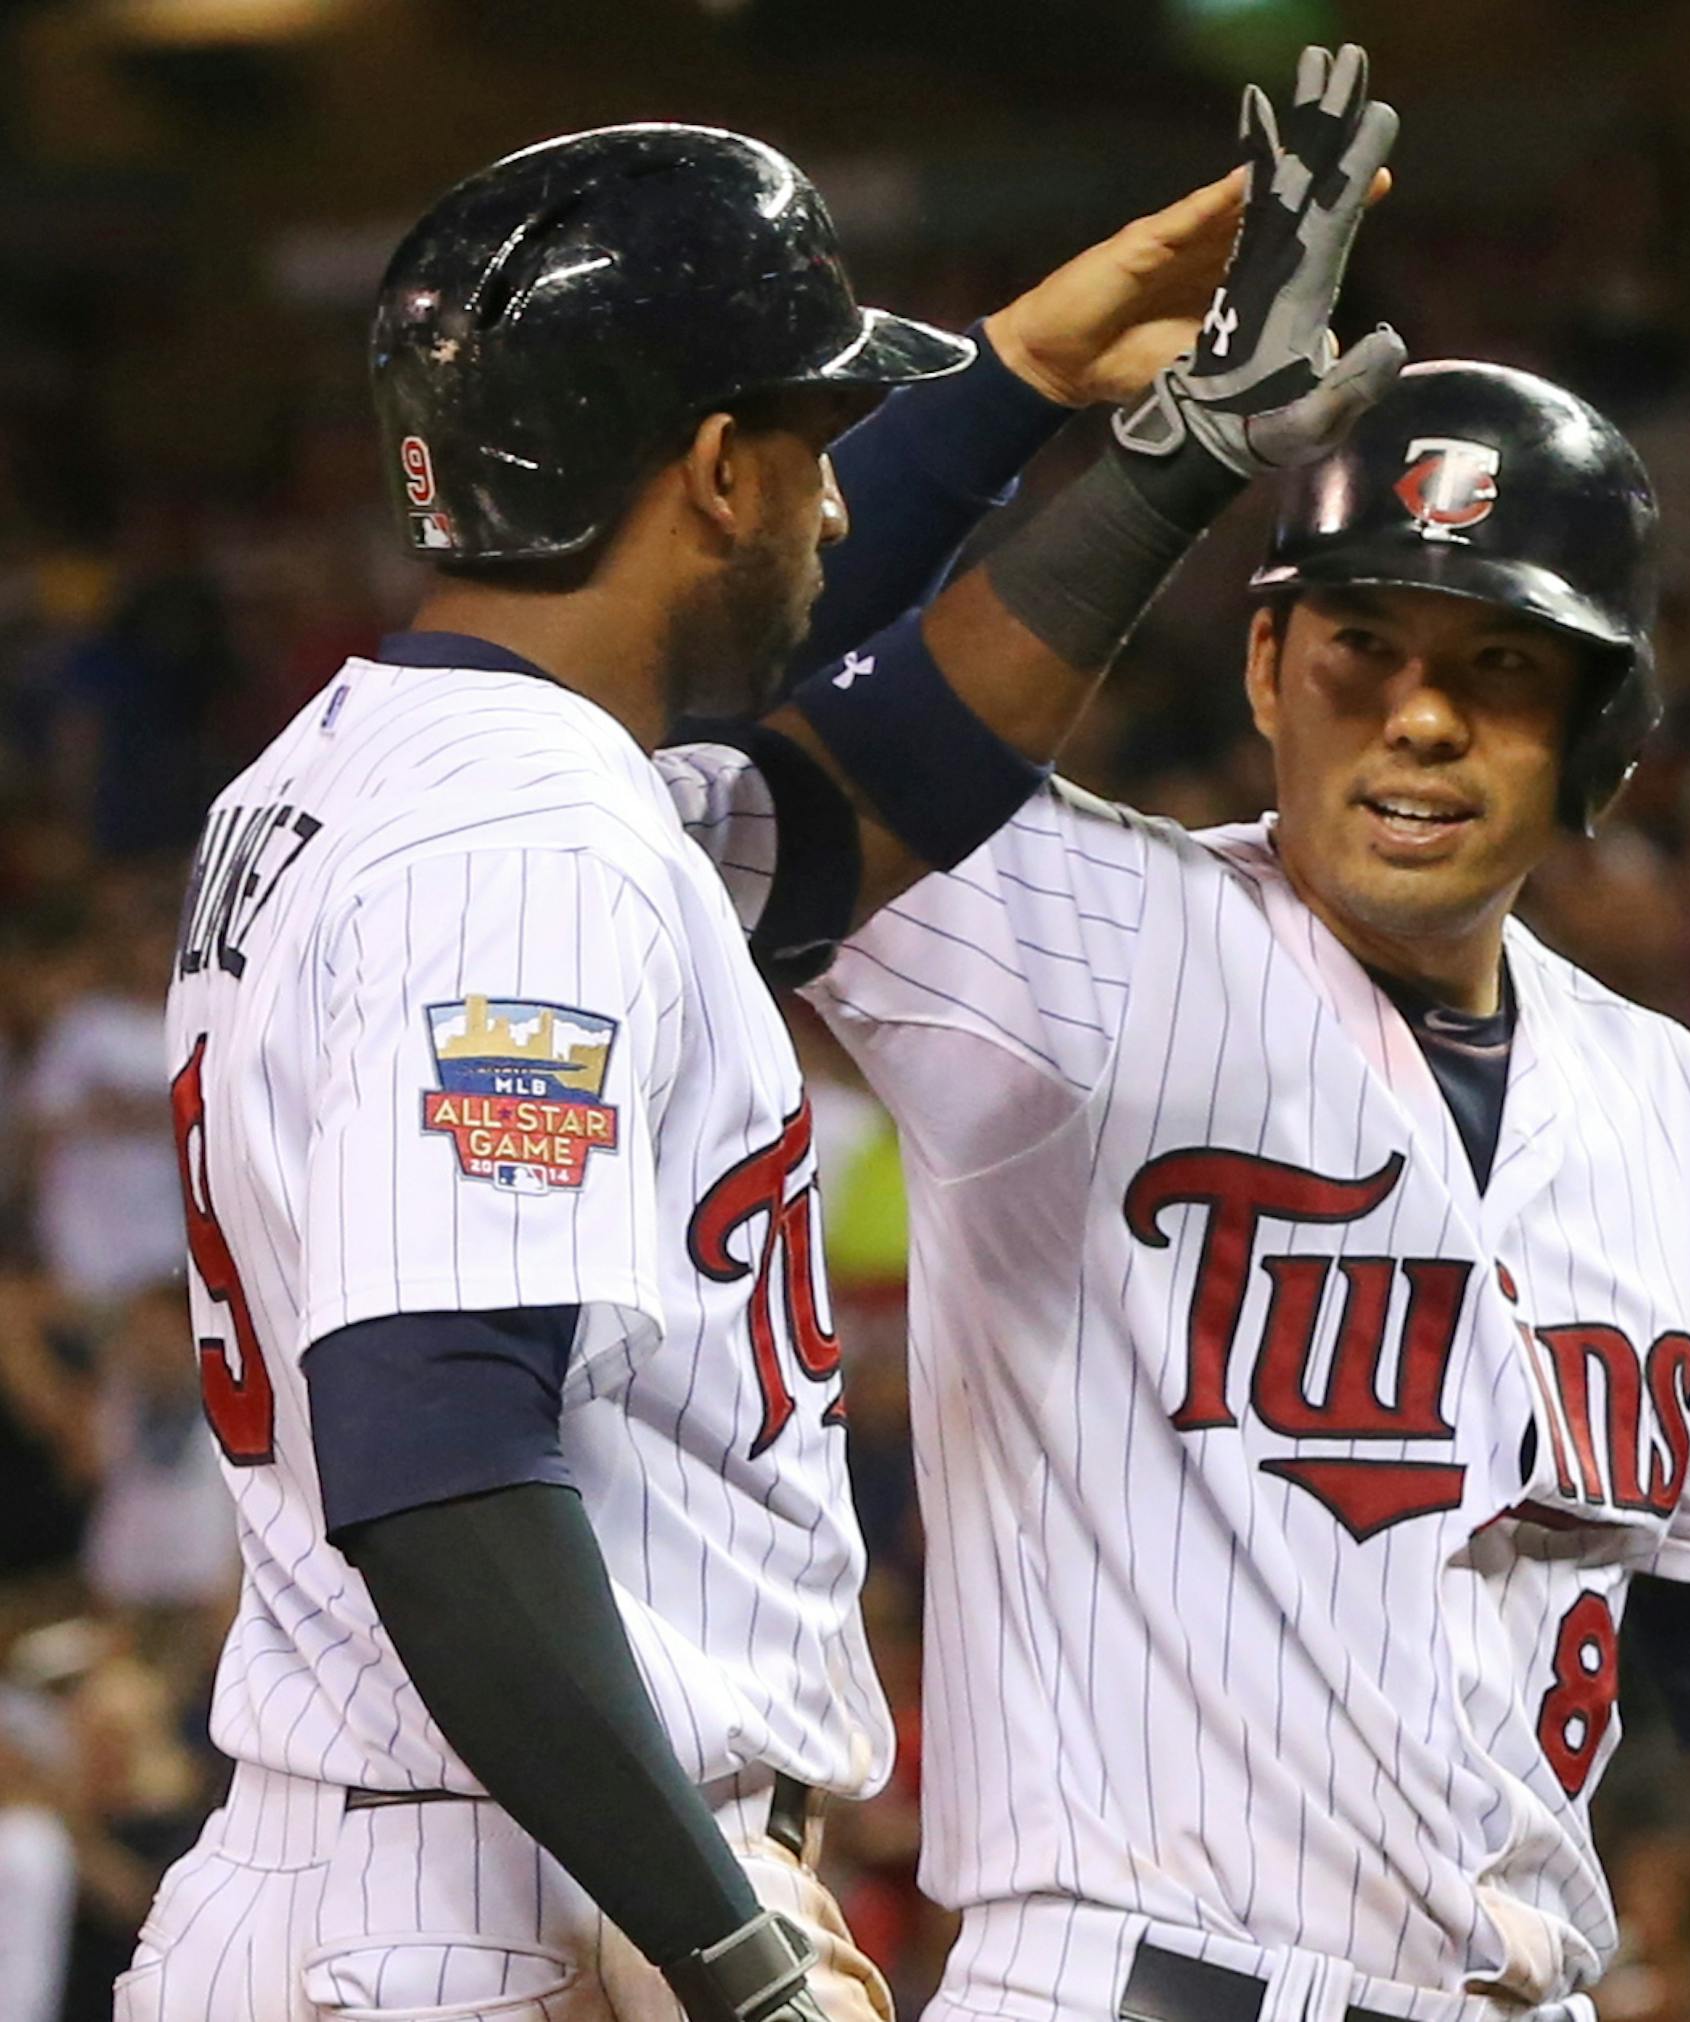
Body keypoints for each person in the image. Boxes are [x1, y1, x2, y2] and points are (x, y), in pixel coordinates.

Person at [127, 63, 1404, 2022]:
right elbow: (442, 1453)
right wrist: (731, 1955)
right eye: (808, 449)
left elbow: (854, 790)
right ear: (717, 470)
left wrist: (1130, 435)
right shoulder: (518, 845)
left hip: (438, 1864)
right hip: (511, 1904)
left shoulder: (383, 777)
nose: (831, 502)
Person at [700, 361, 1690, 2019]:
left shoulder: (1671, 1108)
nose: (1421, 714)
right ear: (1268, 664)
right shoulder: (1075, 929)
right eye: (1365, 647)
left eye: (1499, 664)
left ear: (1602, 733)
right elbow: (735, 720)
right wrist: (1062, 404)